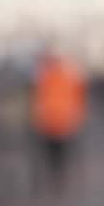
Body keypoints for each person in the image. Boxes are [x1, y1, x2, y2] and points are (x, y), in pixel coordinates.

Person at [30, 51, 88, 196]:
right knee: (58, 153)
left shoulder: (46, 77)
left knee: (54, 154)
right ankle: (57, 177)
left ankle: (55, 177)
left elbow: (38, 98)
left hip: (54, 120)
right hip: (58, 120)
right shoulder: (65, 76)